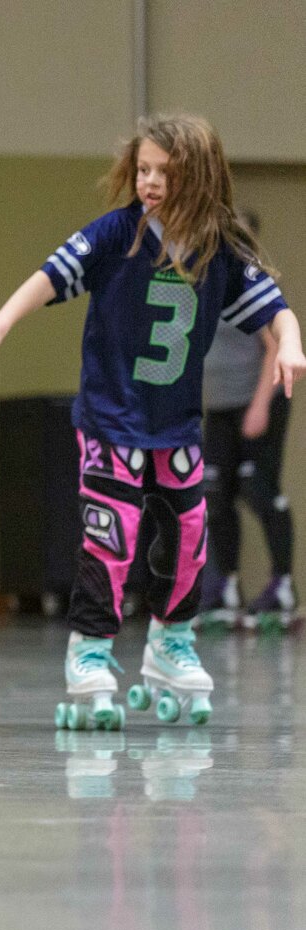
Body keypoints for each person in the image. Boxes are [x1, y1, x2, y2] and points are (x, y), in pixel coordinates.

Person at [0, 114, 306, 731]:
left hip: (175, 428)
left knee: (188, 541)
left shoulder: (220, 248)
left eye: (163, 173)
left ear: (196, 176)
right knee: (109, 540)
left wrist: (291, 346)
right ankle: (88, 653)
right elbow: (50, 276)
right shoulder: (117, 235)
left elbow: (277, 312)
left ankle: (172, 644)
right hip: (112, 420)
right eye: (142, 170)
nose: (148, 182)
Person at [197, 211, 296, 630]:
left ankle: (283, 585)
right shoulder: (204, 280)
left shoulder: (252, 282)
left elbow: (273, 347)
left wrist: (258, 406)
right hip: (217, 407)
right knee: (216, 496)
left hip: (257, 403)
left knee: (259, 491)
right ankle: (228, 585)